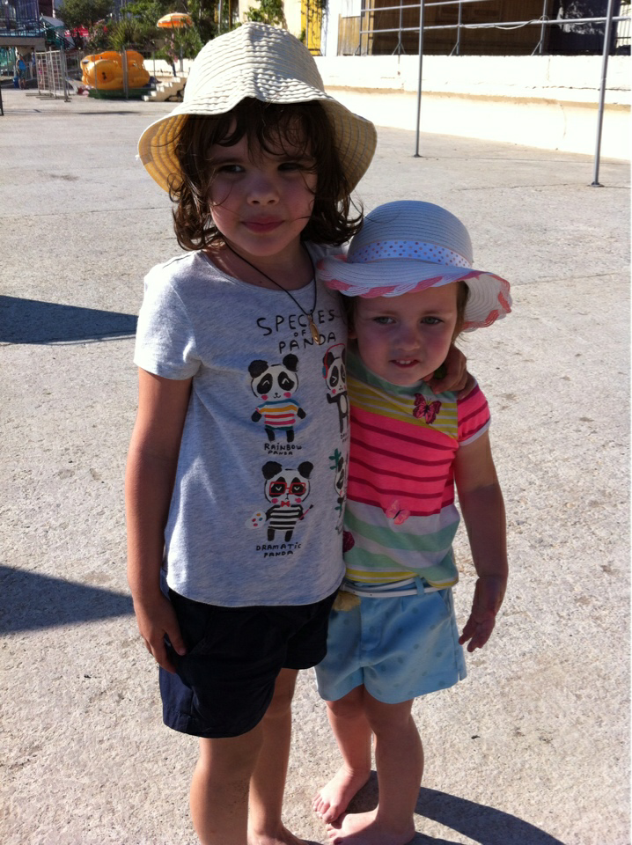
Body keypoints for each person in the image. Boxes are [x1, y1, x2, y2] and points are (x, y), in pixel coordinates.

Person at [128, 24, 466, 845]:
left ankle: (267, 826)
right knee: (226, 747)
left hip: (312, 568)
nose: (263, 193)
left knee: (279, 705)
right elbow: (154, 447)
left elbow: (401, 325)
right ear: (196, 180)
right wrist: (143, 581)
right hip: (218, 584)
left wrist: (449, 361)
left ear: (322, 177)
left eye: (288, 167)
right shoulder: (183, 293)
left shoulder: (333, 273)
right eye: (231, 168)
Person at [312, 200, 512, 845]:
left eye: (432, 320)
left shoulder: (459, 398)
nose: (409, 341)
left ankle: (395, 822)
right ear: (350, 318)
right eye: (385, 319)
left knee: (391, 715)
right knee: (341, 700)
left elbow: (479, 487)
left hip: (411, 593)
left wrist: (492, 574)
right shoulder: (332, 372)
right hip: (330, 586)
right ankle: (353, 767)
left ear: (458, 323)